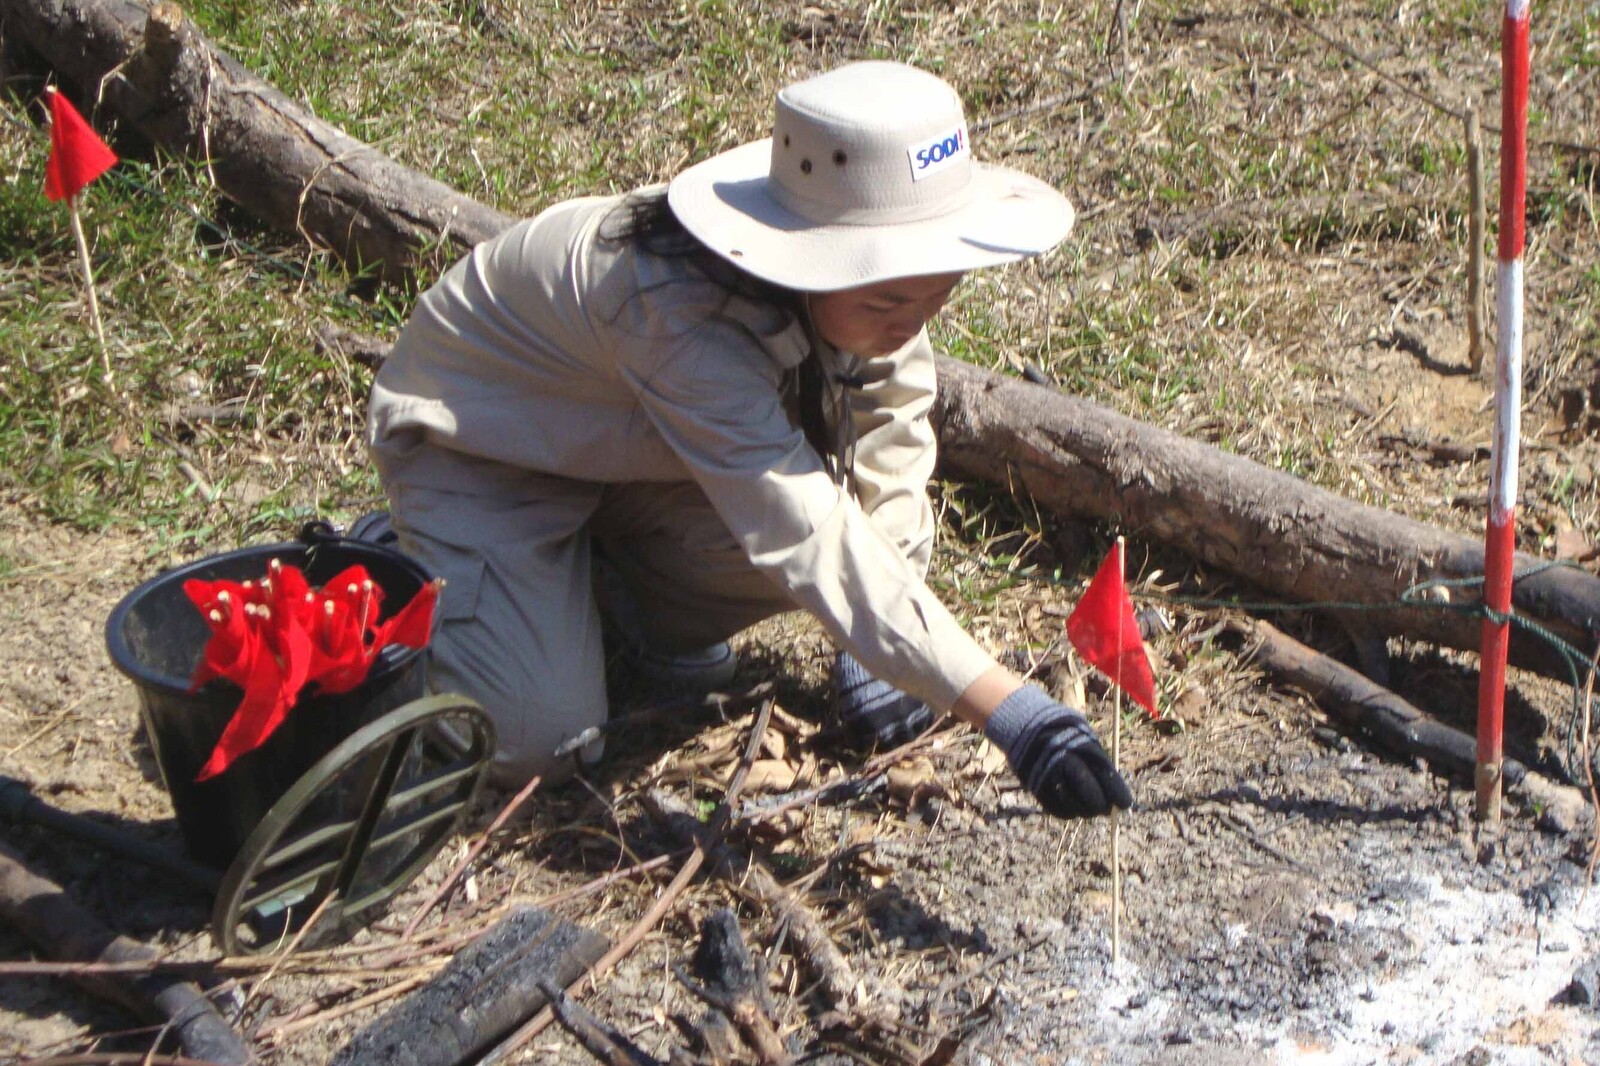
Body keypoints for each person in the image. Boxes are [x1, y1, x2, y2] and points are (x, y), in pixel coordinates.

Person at [366, 60, 1133, 820]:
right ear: (807, 253)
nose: (914, 321)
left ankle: (612, 610)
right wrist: (1007, 708)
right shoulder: (671, 308)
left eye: (939, 290)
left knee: (835, 517)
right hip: (484, 459)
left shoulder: (874, 284)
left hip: (631, 454)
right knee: (543, 746)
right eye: (893, 298)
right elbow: (804, 531)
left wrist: (890, 636)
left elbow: (892, 424)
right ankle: (413, 559)